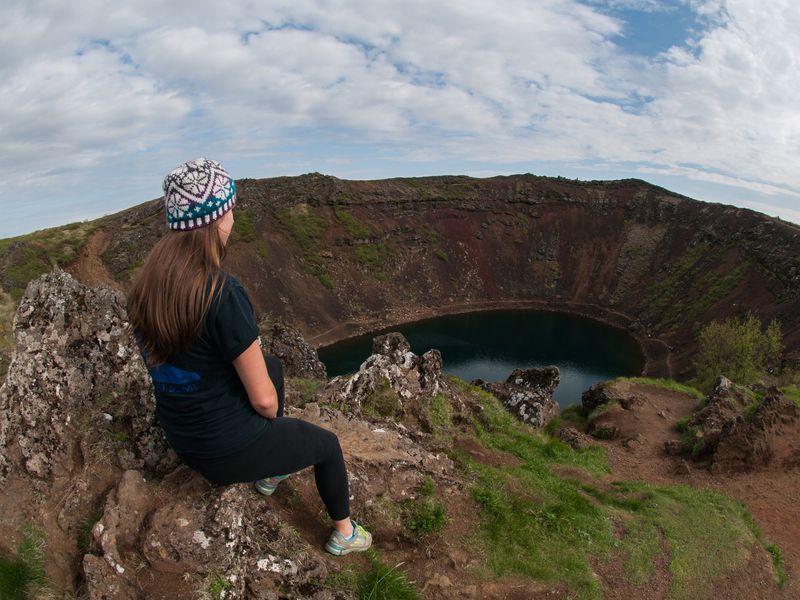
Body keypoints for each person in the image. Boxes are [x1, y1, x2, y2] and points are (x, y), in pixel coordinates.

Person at [126, 158, 371, 556]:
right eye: (231, 208)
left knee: (271, 364)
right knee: (326, 445)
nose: (234, 217)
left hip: (183, 438)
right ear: (217, 218)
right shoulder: (220, 292)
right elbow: (263, 400)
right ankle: (345, 533)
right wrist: (268, 430)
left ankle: (270, 469)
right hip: (225, 451)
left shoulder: (143, 291)